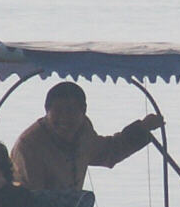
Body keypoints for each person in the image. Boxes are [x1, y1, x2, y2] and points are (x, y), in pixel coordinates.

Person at [9, 81, 165, 191]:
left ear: (83, 110)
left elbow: (109, 151)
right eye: (58, 111)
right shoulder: (29, 146)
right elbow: (31, 197)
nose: (64, 118)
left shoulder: (83, 130)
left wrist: (142, 128)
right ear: (46, 111)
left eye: (71, 110)